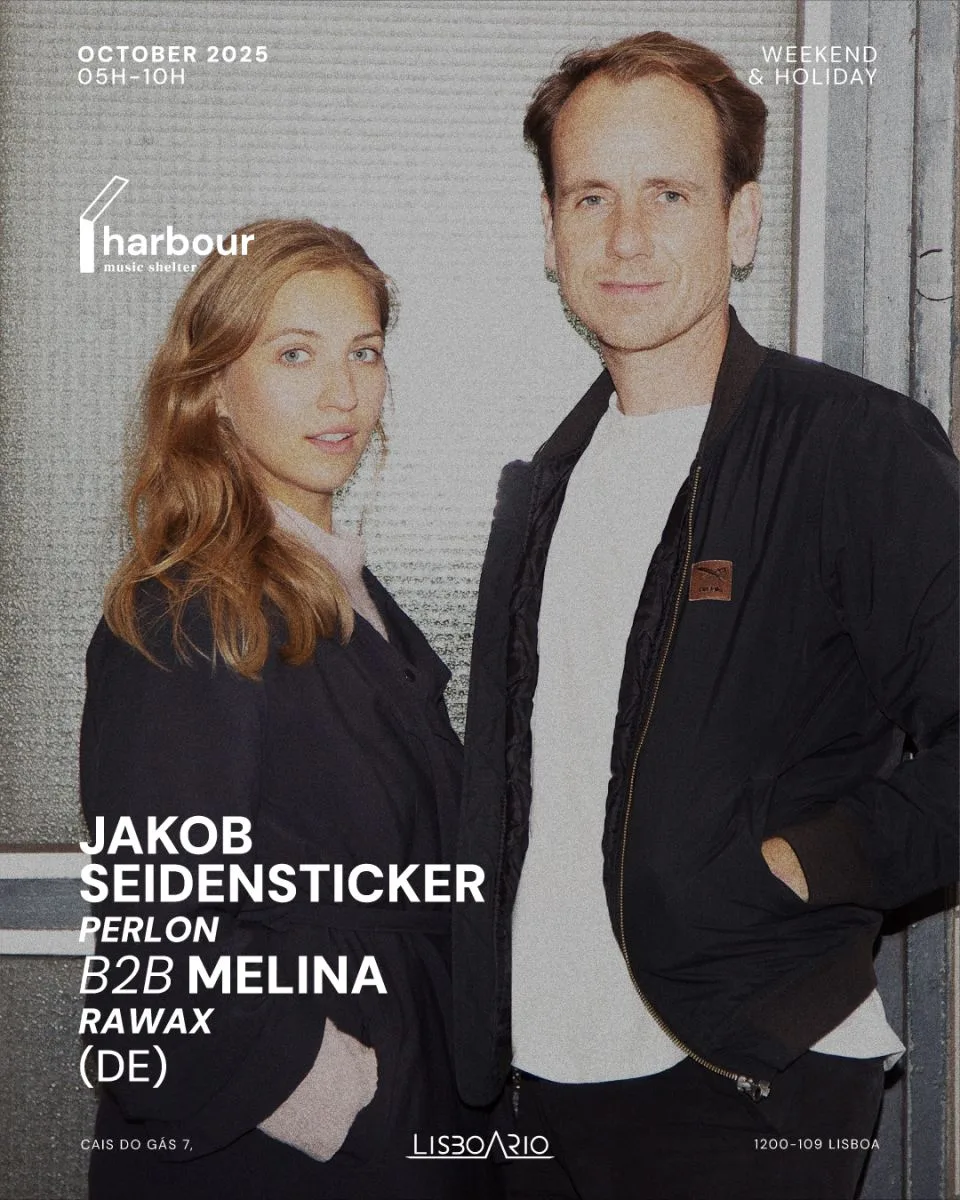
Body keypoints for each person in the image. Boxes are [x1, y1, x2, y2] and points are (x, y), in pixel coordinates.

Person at [453, 31, 958, 1200]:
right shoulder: (544, 485)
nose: (626, 238)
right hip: (535, 1083)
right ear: (550, 232)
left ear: (742, 222)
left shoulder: (852, 450)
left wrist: (800, 865)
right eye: (591, 197)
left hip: (741, 1074)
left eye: (669, 195)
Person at [80, 218, 492, 1200]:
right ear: (216, 386)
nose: (342, 392)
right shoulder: (189, 614)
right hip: (280, 1163)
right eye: (295, 354)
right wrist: (351, 1099)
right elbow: (154, 955)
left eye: (364, 352)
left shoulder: (349, 597)